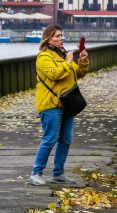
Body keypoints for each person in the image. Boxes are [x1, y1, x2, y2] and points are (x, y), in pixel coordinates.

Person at [28, 25, 90, 187]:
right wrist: (68, 61)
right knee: (50, 139)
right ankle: (36, 173)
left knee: (66, 140)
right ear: (48, 39)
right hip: (51, 104)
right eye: (57, 36)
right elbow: (55, 74)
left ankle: (58, 173)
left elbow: (78, 73)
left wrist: (82, 61)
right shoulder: (43, 57)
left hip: (67, 104)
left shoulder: (61, 56)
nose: (61, 38)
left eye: (61, 35)